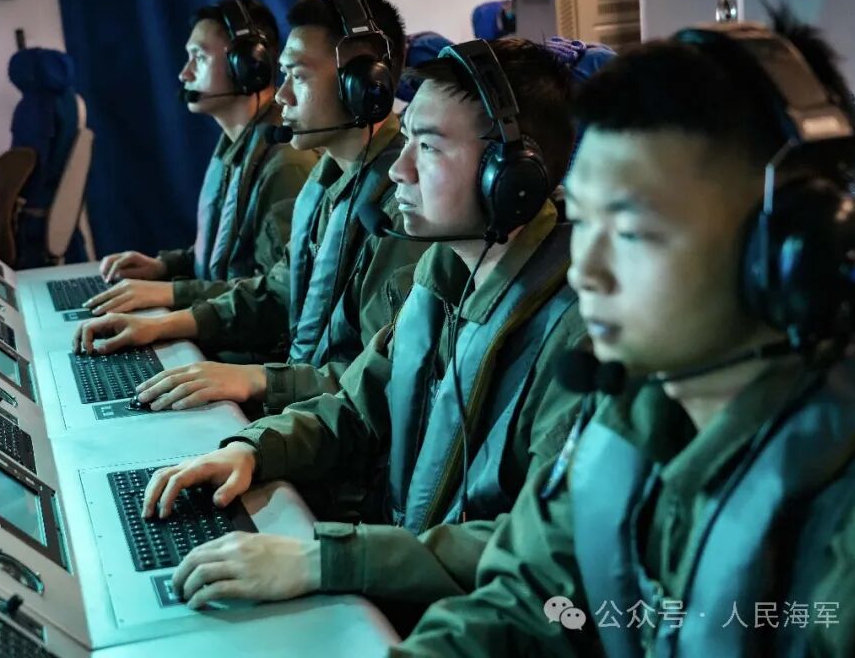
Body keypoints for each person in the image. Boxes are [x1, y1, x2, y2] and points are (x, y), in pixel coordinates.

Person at [394, 12, 855, 657]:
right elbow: (526, 603)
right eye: (584, 221)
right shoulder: (629, 412)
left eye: (630, 232)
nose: (586, 271)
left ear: (791, 254)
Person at [139, 37, 589, 618]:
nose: (400, 169)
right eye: (407, 141)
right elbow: (356, 407)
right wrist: (252, 449)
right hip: (398, 582)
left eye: (428, 147)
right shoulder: (445, 271)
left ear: (510, 176)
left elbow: (540, 553)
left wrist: (325, 560)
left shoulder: (576, 336)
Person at [75, 0, 426, 413]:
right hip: (301, 410)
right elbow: (278, 292)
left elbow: (380, 381)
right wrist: (163, 320)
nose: (282, 96)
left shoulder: (399, 210)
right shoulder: (327, 181)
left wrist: (255, 379)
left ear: (364, 88)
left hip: (326, 426)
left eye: (298, 76)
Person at [86, 0, 314, 316]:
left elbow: (279, 295)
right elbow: (230, 256)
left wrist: (172, 293)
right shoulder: (236, 146)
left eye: (200, 57)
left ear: (248, 66)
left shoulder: (285, 164)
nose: (184, 73)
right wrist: (164, 267)